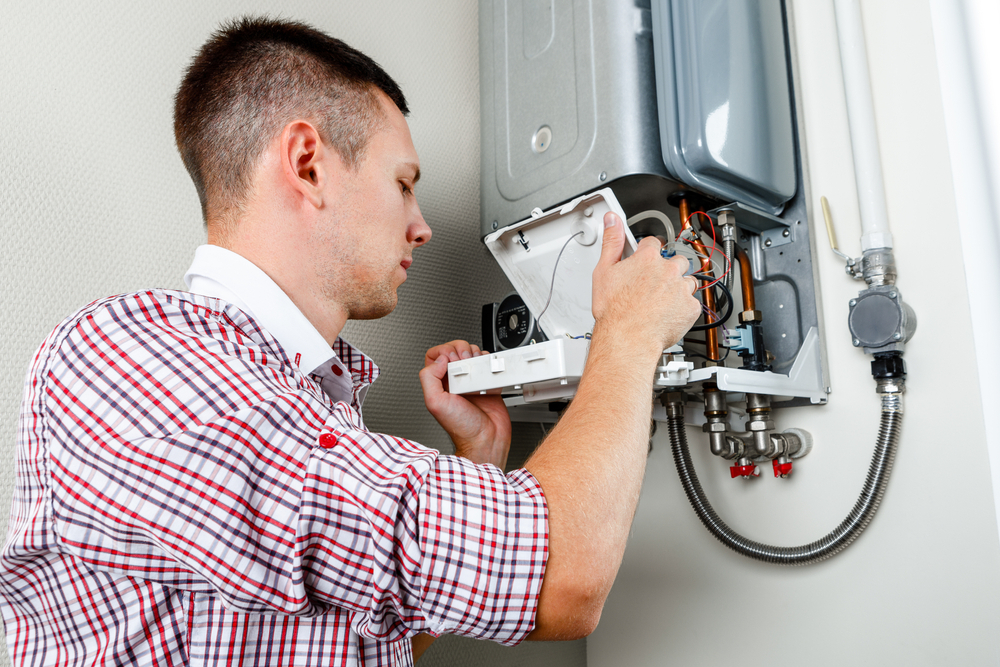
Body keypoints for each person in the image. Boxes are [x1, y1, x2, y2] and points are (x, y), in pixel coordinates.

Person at [0, 16, 701, 666]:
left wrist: (481, 459)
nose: (422, 226)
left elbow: (360, 640)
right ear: (307, 163)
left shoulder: (302, 406)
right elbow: (561, 577)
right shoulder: (129, 360)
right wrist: (628, 332)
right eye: (403, 183)